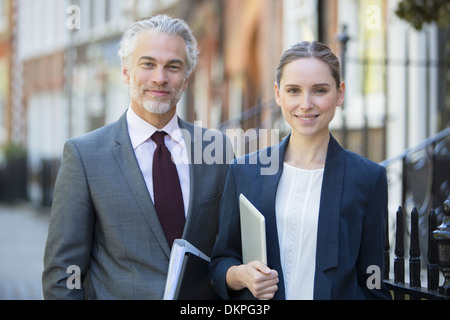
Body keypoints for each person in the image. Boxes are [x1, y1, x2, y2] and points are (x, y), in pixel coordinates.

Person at [42, 15, 232, 299]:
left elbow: (227, 250)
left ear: (186, 78)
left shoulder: (216, 149)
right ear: (126, 72)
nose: (160, 77)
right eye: (148, 64)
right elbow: (63, 271)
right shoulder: (85, 156)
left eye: (173, 67)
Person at [210, 41, 392, 300]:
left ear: (340, 93)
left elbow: (373, 277)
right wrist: (241, 275)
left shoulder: (368, 178)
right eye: (293, 90)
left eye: (319, 90)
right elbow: (220, 262)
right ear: (277, 94)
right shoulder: (245, 170)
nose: (306, 104)